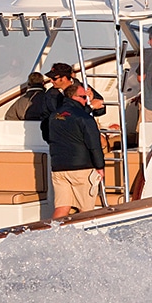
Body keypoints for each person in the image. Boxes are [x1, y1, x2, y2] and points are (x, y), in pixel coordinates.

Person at [46, 82, 105, 218]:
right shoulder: (85, 118)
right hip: (81, 168)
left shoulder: (54, 116)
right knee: (85, 210)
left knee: (62, 208)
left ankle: (52, 237)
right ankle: (83, 238)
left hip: (58, 168)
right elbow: (94, 144)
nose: (86, 100)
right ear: (75, 97)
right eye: (84, 97)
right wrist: (100, 167)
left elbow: (48, 136)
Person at [40, 63, 106, 140]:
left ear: (64, 78)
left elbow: (101, 109)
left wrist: (90, 101)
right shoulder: (49, 95)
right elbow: (48, 118)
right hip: (62, 139)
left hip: (83, 135)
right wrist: (51, 140)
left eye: (54, 78)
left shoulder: (85, 88)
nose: (51, 81)